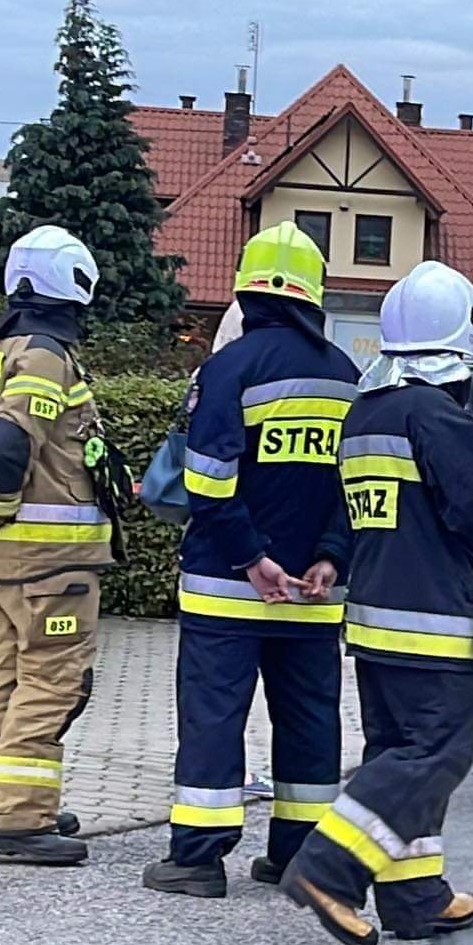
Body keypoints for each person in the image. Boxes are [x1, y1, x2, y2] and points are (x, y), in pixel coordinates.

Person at [281, 261, 473, 945]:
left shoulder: (367, 412)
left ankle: (415, 896)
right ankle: (329, 868)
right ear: (462, 339)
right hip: (434, 618)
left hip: (377, 617)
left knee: (397, 750)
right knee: (437, 751)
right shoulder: (436, 414)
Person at [142, 221, 357, 898]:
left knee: (214, 716)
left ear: (246, 292)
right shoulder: (346, 375)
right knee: (311, 723)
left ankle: (198, 859)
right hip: (314, 593)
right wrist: (330, 557)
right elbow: (354, 486)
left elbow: (206, 480)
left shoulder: (227, 369)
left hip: (226, 585)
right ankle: (299, 857)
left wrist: (251, 559)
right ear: (314, 293)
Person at [0, 224, 112, 865]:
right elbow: (12, 442)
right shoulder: (44, 356)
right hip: (50, 564)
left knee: (7, 676)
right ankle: (19, 819)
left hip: (3, 560)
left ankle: (3, 800)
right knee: (52, 681)